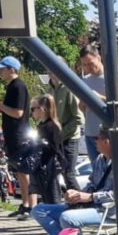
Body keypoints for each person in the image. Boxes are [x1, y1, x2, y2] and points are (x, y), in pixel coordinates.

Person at [31, 131, 118, 235]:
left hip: (110, 211)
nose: (95, 142)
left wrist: (91, 197)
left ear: (107, 141)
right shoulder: (100, 159)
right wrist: (76, 195)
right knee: (39, 210)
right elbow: (93, 184)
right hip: (92, 206)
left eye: (97, 139)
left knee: (67, 217)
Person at [0, 56, 33, 220]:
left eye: (2, 69)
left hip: (20, 134)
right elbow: (4, 110)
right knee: (19, 172)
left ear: (12, 70)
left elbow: (18, 112)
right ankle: (24, 204)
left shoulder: (18, 86)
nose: (0, 72)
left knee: (24, 171)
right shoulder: (11, 87)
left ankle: (30, 206)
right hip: (12, 135)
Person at [78, 44, 118, 166]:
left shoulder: (112, 79)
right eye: (84, 65)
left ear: (98, 58)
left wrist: (99, 99)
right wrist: (83, 103)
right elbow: (81, 107)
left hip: (108, 136)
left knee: (112, 171)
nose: (88, 67)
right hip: (90, 134)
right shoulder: (85, 81)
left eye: (90, 63)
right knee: (97, 172)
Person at [50, 58, 82, 191]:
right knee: (60, 173)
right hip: (59, 138)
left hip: (70, 138)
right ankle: (72, 203)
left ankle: (81, 205)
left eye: (52, 67)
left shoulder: (69, 88)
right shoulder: (53, 88)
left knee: (69, 174)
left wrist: (61, 134)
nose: (49, 70)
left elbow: (79, 119)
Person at [30, 94, 64, 205]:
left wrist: (40, 144)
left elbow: (55, 148)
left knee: (53, 195)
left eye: (33, 109)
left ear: (42, 109)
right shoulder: (41, 126)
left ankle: (57, 218)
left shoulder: (51, 126)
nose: (32, 112)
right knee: (46, 195)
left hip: (52, 165)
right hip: (43, 165)